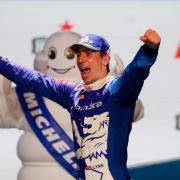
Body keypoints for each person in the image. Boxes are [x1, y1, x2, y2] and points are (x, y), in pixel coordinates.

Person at [0, 28, 161, 180]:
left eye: (89, 53)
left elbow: (135, 72)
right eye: (78, 54)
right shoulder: (73, 93)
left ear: (105, 58)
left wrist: (148, 51)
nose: (81, 60)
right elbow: (31, 78)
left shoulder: (117, 90)